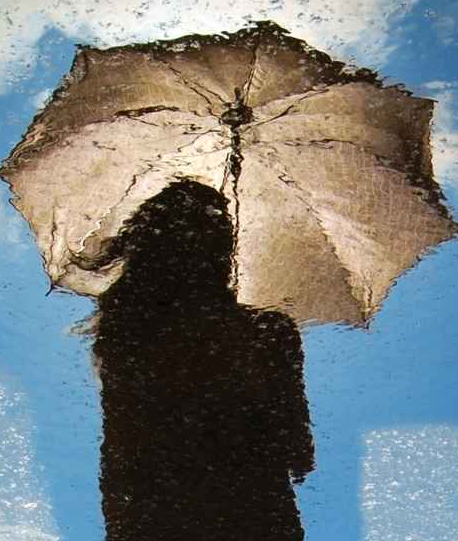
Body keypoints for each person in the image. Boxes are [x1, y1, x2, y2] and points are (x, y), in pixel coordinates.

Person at [94, 179, 314, 540]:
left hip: (152, 521)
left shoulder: (126, 335)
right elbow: (300, 457)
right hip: (253, 517)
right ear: (222, 251)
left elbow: (118, 458)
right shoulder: (268, 333)